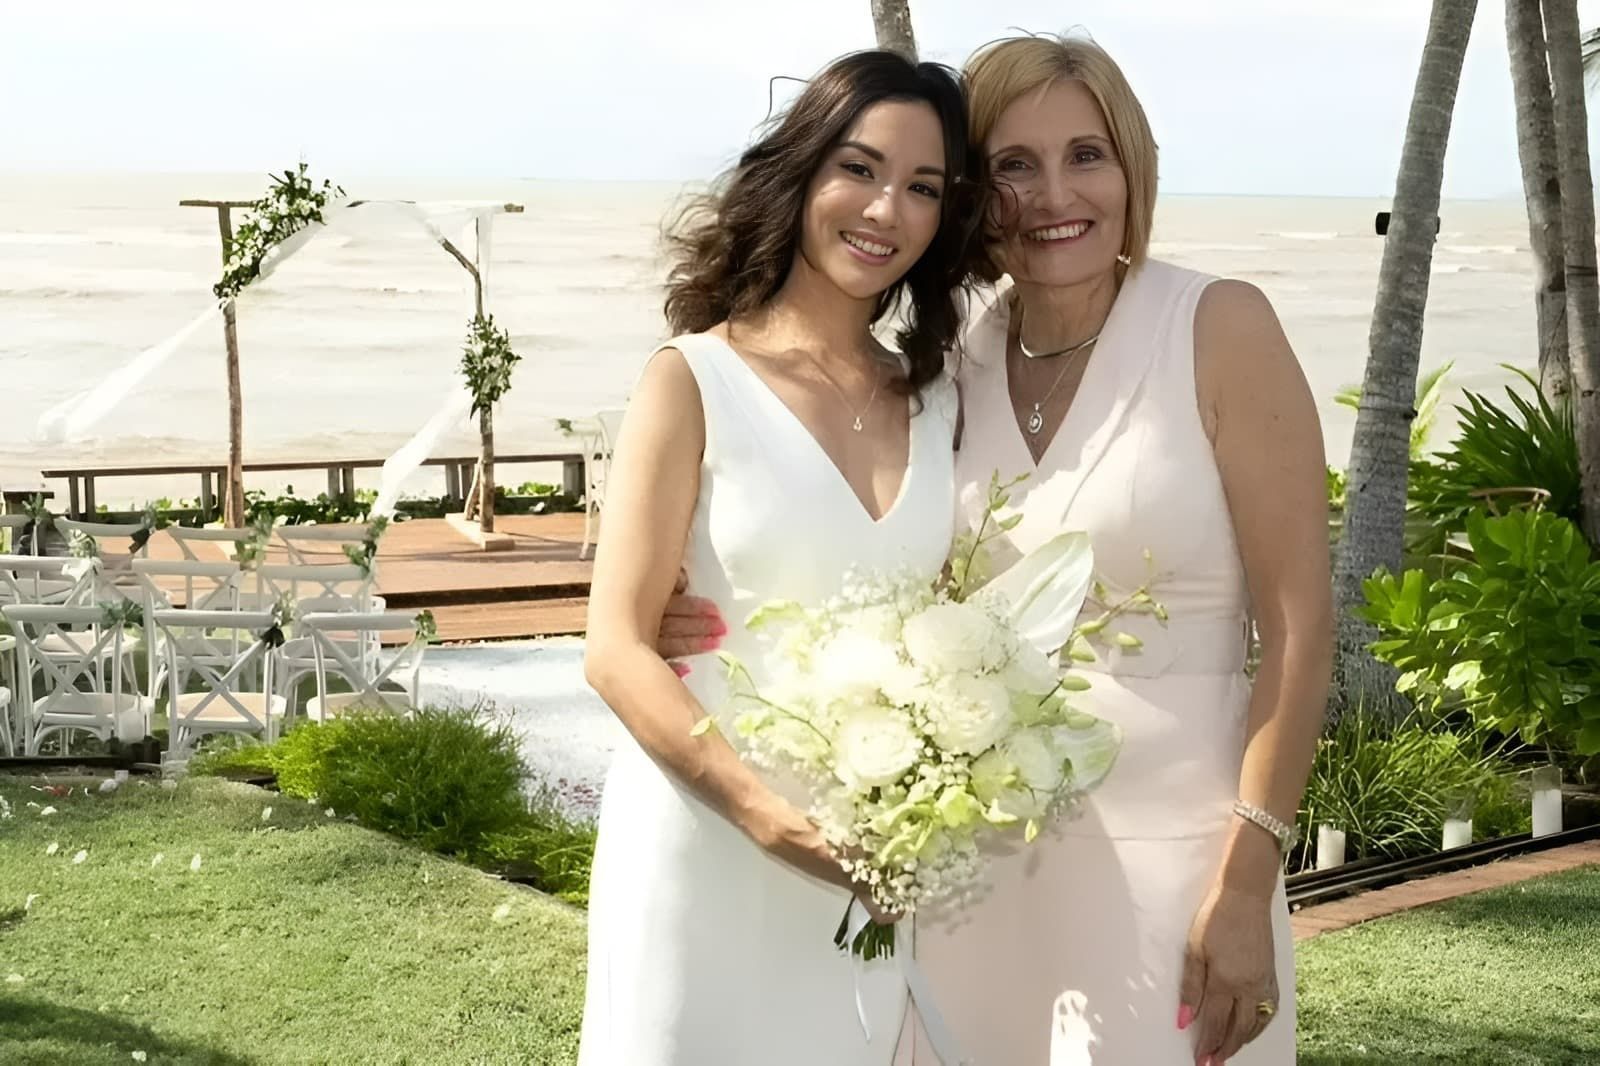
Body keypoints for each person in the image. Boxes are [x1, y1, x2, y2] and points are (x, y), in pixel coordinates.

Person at [660, 33, 1332, 1066]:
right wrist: (706, 605)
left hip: (1179, 881)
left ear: (1131, 168)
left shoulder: (1219, 326)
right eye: (1012, 164)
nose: (1050, 194)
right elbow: (872, 562)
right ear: (976, 195)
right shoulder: (949, 363)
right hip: (969, 884)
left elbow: (1297, 623)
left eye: (1085, 155)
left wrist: (1248, 875)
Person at [578, 49, 980, 1066]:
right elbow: (616, 649)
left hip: (870, 856)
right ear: (801, 173)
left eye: (922, 187)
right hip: (707, 845)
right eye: (860, 168)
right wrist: (767, 819)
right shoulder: (692, 379)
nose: (886, 209)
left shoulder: (939, 401)